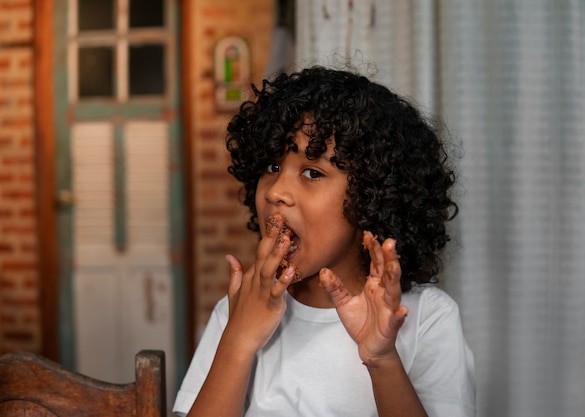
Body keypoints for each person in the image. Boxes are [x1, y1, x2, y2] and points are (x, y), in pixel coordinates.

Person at [173, 66, 475, 417]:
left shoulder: (426, 318)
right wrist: (238, 341)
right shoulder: (238, 311)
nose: (277, 192)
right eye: (271, 167)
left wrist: (382, 359)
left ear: (371, 196)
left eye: (312, 173)